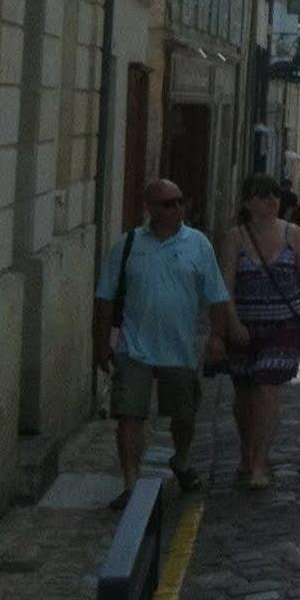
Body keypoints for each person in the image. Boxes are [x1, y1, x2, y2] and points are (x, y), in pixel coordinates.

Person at [92, 180, 243, 510]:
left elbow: (216, 296)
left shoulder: (198, 244)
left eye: (179, 202)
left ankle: (182, 460)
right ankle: (131, 481)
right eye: (167, 204)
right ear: (151, 208)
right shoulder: (129, 245)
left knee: (184, 415)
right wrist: (101, 343)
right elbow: (104, 297)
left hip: (179, 348)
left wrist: (218, 337)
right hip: (135, 347)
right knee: (129, 414)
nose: (177, 209)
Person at [217, 175, 300, 491]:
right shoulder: (235, 238)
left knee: (267, 390)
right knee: (244, 396)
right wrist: (232, 323)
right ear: (247, 202)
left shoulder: (294, 235)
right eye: (262, 197)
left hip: (283, 327)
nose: (269, 203)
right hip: (244, 328)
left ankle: (258, 462)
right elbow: (225, 284)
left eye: (274, 197)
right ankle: (246, 450)